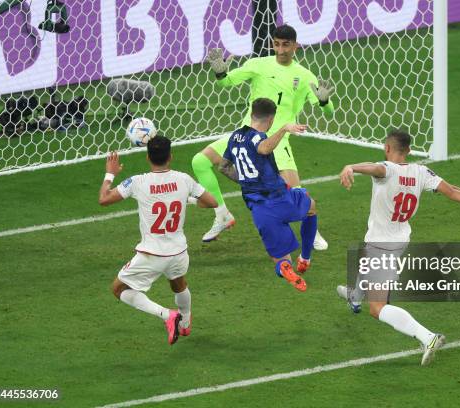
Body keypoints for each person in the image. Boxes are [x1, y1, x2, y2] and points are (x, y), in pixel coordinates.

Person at [336, 129, 460, 365]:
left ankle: (427, 336)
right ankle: (355, 296)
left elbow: (375, 168)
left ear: (387, 149)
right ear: (408, 150)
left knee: (378, 308)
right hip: (399, 239)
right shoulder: (421, 172)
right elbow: (453, 191)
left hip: (382, 244)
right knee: (366, 258)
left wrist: (351, 167)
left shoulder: (386, 170)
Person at [193, 24, 333, 248]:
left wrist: (325, 101)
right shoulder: (257, 65)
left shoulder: (305, 76)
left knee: (296, 192)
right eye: (277, 44)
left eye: (286, 45)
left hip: (278, 139)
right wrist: (219, 72)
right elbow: (226, 82)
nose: (281, 50)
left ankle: (312, 232)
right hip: (245, 136)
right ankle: (222, 214)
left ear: (295, 46)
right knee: (200, 161)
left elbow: (328, 110)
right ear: (272, 44)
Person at [98, 136, 217, 345]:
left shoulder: (138, 182)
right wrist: (184, 198)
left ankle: (167, 315)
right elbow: (211, 202)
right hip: (179, 252)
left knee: (118, 289)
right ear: (170, 156)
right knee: (178, 284)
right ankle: (186, 323)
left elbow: (104, 199)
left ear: (147, 157)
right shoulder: (183, 179)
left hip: (151, 254)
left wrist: (110, 174)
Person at [218, 98, 318, 292]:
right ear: (271, 119)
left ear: (251, 114)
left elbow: (223, 167)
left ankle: (286, 268)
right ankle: (305, 258)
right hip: (280, 197)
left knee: (281, 260)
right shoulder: (258, 137)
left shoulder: (235, 136)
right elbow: (263, 148)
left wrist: (246, 180)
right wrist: (283, 129)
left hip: (258, 208)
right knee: (311, 206)